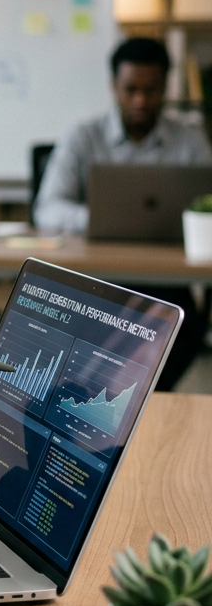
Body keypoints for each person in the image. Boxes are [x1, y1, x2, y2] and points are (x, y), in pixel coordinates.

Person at [34, 36, 212, 387]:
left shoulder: (191, 141)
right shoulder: (83, 136)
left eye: (152, 90)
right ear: (114, 85)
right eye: (130, 89)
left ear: (166, 87)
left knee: (186, 328)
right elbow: (47, 209)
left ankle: (146, 400)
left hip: (165, 283)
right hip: (96, 279)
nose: (140, 100)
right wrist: (100, 220)